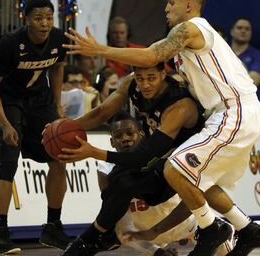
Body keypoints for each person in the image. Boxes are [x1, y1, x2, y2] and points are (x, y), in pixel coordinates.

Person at [62, 0, 260, 255]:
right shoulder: (184, 45)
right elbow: (137, 78)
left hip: (234, 111)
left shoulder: (191, 27)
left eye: (171, 1)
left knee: (175, 169)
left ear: (188, 5)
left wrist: (102, 50)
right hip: (228, 115)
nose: (166, 7)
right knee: (200, 182)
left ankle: (213, 229)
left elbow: (152, 54)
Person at [57, 62, 207, 255]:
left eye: (151, 78)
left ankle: (226, 227)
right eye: (140, 78)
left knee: (204, 198)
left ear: (163, 75)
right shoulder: (132, 86)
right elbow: (102, 112)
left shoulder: (178, 105)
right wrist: (64, 127)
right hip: (145, 230)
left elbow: (144, 158)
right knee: (121, 180)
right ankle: (95, 238)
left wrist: (93, 151)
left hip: (186, 170)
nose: (144, 85)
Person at [0, 0, 70, 254]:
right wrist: (4, 123)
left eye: (49, 17)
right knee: (8, 163)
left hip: (39, 100)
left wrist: (57, 104)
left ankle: (52, 228)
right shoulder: (10, 44)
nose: (44, 23)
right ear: (27, 19)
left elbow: (57, 67)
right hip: (9, 101)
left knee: (59, 158)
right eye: (38, 18)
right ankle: (0, 234)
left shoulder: (58, 38)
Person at [99, 112, 235, 256]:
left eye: (130, 133)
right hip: (149, 237)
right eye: (118, 136)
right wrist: (157, 252)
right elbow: (121, 223)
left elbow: (191, 203)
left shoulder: (162, 156)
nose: (125, 139)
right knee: (121, 230)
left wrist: (156, 230)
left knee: (224, 248)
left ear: (141, 134)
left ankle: (225, 226)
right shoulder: (106, 169)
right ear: (112, 142)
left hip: (188, 225)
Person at [230, 18, 260, 106]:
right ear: (232, 31)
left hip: (249, 105)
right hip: (226, 106)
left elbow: (251, 83)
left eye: (247, 29)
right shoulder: (222, 54)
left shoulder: (258, 56)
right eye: (239, 28)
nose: (243, 31)